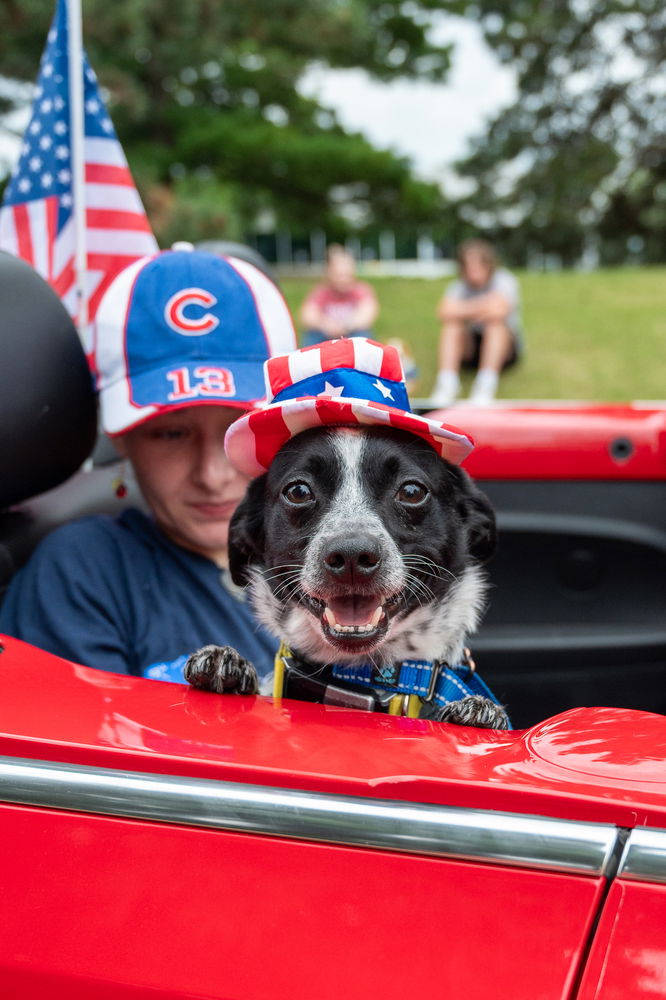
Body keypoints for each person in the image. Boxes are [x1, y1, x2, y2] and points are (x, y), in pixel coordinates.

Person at [0, 247, 297, 684]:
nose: (213, 475)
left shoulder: (343, 545)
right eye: (171, 434)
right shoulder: (87, 573)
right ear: (121, 437)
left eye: (240, 427)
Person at [431, 239, 523, 406]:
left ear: (488, 265)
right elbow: (443, 312)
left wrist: (462, 310)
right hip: (470, 346)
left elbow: (499, 311)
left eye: (477, 266)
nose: (473, 272)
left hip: (505, 349)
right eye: (468, 266)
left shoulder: (505, 280)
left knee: (495, 324)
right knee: (452, 326)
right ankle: (447, 384)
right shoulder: (458, 286)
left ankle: (485, 387)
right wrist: (484, 305)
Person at [300, 245, 379, 346]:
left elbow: (367, 314)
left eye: (346, 275)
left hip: (352, 334)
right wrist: (326, 325)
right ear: (329, 272)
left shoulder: (361, 290)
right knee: (311, 335)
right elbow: (308, 316)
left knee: (363, 335)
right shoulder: (321, 292)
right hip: (325, 335)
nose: (342, 280)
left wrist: (346, 326)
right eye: (338, 275)